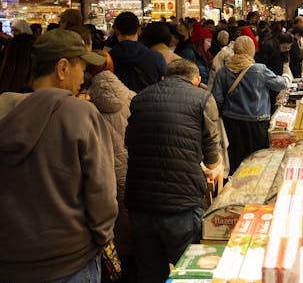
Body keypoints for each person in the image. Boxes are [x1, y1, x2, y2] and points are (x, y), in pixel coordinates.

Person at [0, 28, 118, 283]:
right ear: (62, 68)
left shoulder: (3, 111)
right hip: (69, 262)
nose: (84, 77)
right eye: (82, 67)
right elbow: (102, 195)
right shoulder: (80, 114)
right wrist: (103, 238)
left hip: (10, 262)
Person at [124, 58, 222, 283]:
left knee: (149, 274)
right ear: (196, 80)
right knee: (187, 274)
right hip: (182, 205)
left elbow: (129, 142)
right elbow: (212, 159)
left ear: (164, 78)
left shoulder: (140, 98)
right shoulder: (203, 98)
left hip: (141, 203)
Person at [87, 50, 136, 282]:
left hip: (98, 173)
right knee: (128, 221)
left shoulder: (82, 105)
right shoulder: (133, 98)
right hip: (130, 169)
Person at [212, 35, 290, 174]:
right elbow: (280, 84)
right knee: (257, 160)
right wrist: (286, 75)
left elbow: (216, 98)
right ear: (251, 50)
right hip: (257, 122)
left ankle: (234, 188)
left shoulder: (223, 71)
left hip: (232, 121)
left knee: (236, 158)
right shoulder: (259, 69)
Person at [110, 11, 167, 92]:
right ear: (139, 30)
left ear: (116, 31)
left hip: (118, 103)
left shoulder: (108, 59)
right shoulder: (156, 58)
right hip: (148, 103)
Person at [178, 21, 213, 85]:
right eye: (208, 41)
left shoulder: (206, 55)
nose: (209, 45)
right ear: (200, 41)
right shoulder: (189, 53)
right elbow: (185, 76)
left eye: (210, 42)